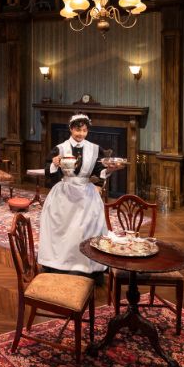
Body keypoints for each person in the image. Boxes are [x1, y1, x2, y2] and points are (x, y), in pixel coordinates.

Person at [37, 112, 120, 282]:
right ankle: (58, 265)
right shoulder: (60, 148)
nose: (80, 134)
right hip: (65, 192)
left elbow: (99, 172)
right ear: (70, 129)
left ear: (87, 131)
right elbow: (49, 172)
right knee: (62, 229)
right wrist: (54, 163)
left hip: (86, 192)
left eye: (84, 130)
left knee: (88, 228)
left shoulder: (95, 149)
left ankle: (90, 268)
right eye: (77, 130)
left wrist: (110, 170)